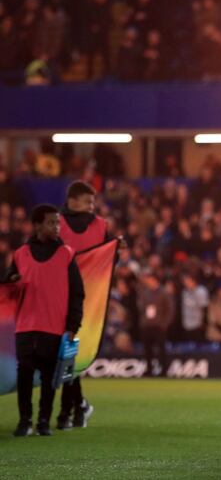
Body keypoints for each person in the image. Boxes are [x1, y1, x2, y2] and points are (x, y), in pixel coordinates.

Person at [8, 204, 85, 436]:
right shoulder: (20, 254)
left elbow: (77, 294)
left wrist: (73, 326)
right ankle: (24, 421)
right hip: (25, 326)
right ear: (37, 225)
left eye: (58, 222)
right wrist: (12, 280)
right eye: (52, 222)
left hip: (54, 326)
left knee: (50, 377)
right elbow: (8, 290)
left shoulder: (67, 255)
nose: (57, 227)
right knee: (24, 374)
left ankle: (43, 421)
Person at [56, 180, 108, 430]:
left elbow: (108, 257)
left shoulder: (100, 226)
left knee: (69, 356)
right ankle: (78, 407)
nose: (91, 207)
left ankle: (73, 409)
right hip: (57, 299)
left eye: (93, 202)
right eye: (87, 202)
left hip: (88, 303)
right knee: (67, 357)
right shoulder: (56, 223)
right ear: (72, 201)